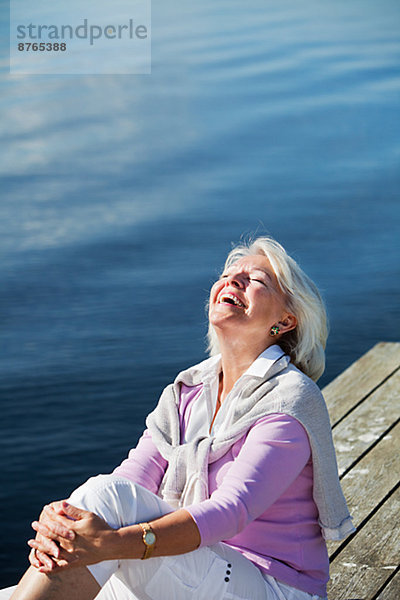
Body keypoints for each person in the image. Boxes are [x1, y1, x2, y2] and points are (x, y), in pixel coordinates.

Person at [10, 236, 354, 600]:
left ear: (285, 321)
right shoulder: (187, 391)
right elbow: (131, 483)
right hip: (192, 569)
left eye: (255, 280)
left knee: (102, 507)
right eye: (227, 274)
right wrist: (64, 523)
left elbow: (231, 509)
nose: (232, 281)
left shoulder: (289, 399)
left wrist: (112, 543)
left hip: (272, 586)